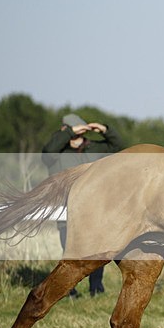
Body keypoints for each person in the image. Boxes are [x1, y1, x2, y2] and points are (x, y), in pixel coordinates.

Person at [42, 113, 123, 297]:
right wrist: (68, 132)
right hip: (67, 209)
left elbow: (117, 146)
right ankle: (69, 290)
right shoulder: (58, 152)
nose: (76, 135)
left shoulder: (92, 148)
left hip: (95, 208)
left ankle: (96, 288)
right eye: (71, 130)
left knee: (98, 250)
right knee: (70, 251)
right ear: (65, 130)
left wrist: (105, 130)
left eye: (78, 130)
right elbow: (46, 152)